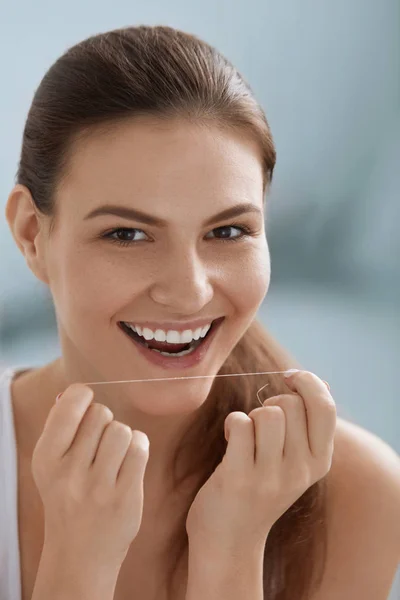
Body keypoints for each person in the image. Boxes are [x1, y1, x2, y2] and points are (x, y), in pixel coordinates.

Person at [2, 25, 399, 600]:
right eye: (128, 234)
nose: (189, 292)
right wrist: (76, 566)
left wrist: (231, 552)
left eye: (228, 230)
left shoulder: (357, 495)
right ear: (33, 234)